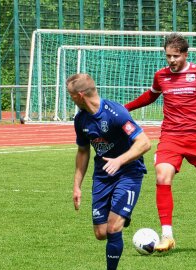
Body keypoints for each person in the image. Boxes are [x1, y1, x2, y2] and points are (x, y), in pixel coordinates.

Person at [124, 32, 196, 252]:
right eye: (168, 56)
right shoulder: (161, 76)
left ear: (185, 54)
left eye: (176, 56)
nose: (171, 60)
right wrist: (126, 108)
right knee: (162, 175)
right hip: (171, 136)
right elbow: (150, 96)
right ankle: (167, 235)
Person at [67, 73, 151, 270]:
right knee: (101, 233)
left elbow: (145, 143)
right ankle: (122, 214)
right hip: (103, 177)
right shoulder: (81, 120)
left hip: (129, 172)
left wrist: (120, 160)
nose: (70, 99)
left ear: (80, 95)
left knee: (113, 227)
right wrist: (76, 186)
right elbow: (82, 151)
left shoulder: (116, 113)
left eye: (71, 95)